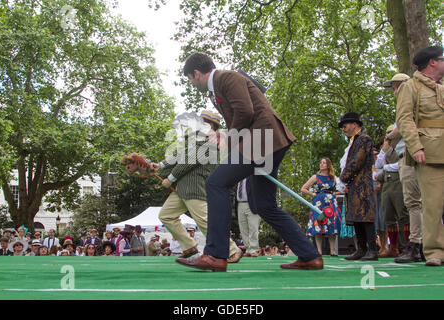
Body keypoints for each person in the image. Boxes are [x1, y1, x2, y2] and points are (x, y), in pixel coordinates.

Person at [177, 52, 322, 271]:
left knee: (216, 183)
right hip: (268, 141)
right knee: (264, 205)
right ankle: (309, 255)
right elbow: (243, 114)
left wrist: (230, 139)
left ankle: (216, 255)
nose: (192, 83)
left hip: (261, 141)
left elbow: (245, 111)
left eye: (190, 79)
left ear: (196, 73)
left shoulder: (227, 78)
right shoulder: (218, 87)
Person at [125, 110, 242, 263]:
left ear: (211, 125)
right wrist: (158, 165)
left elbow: (189, 161)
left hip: (195, 187)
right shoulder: (196, 140)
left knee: (205, 221)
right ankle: (189, 246)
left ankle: (233, 250)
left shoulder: (210, 143)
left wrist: (170, 178)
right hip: (183, 188)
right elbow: (180, 156)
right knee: (166, 215)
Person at [396, 45, 444, 266]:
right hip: (430, 151)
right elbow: (404, 119)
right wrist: (415, 147)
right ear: (432, 62)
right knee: (432, 205)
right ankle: (435, 252)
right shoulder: (411, 86)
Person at [383, 73, 425, 263]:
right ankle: (426, 245)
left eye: (394, 86)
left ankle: (417, 245)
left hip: (411, 154)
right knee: (420, 203)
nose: (394, 91)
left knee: (414, 203)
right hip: (409, 154)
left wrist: (389, 137)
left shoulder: (410, 99)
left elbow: (403, 124)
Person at [338, 112, 378, 261]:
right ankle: (361, 249)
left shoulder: (364, 139)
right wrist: (345, 182)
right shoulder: (353, 141)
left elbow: (356, 162)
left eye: (345, 125)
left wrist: (342, 179)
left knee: (366, 217)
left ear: (355, 124)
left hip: (362, 183)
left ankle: (372, 250)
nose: (343, 128)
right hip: (354, 183)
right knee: (356, 217)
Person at [375, 125, 409, 257]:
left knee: (403, 216)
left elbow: (400, 164)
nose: (388, 137)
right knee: (388, 217)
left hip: (398, 183)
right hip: (386, 185)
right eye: (387, 135)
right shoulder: (387, 150)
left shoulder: (403, 146)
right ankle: (393, 247)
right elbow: (378, 165)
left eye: (390, 134)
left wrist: (386, 167)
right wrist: (383, 150)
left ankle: (407, 246)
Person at [301, 158, 341, 256]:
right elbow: (303, 188)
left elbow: (342, 188)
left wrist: (334, 193)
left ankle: (332, 250)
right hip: (318, 205)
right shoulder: (315, 177)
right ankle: (319, 250)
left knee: (332, 225)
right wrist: (313, 194)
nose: (321, 164)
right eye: (320, 162)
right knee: (318, 224)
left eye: (324, 163)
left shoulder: (334, 178)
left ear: (328, 165)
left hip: (331, 204)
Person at [236, 178, 261, 257]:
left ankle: (253, 249)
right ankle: (248, 249)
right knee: (243, 228)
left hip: (252, 204)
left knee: (253, 227)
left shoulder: (253, 176)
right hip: (240, 204)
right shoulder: (238, 178)